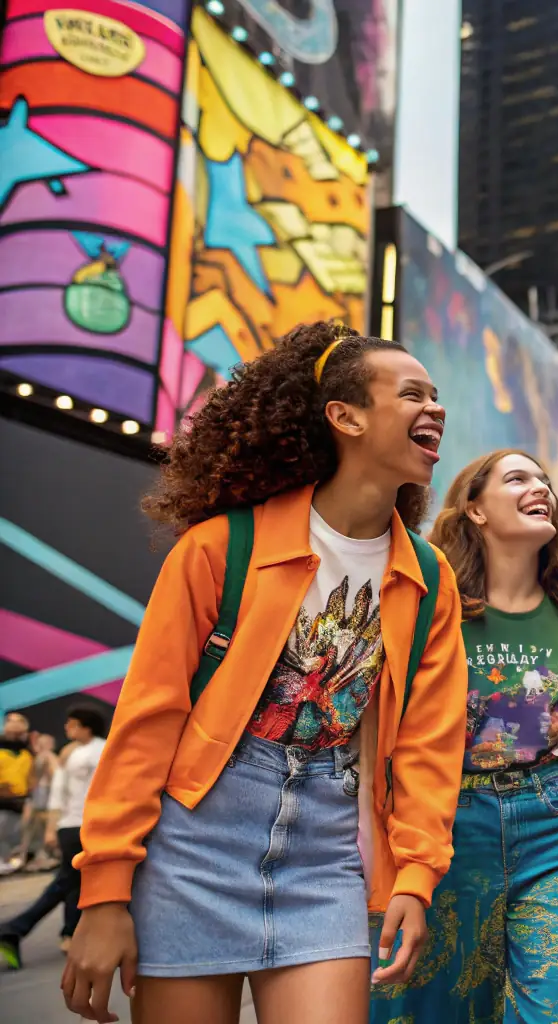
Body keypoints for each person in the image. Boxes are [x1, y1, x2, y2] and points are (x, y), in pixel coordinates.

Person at [61, 322, 469, 1024]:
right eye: (411, 394)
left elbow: (430, 745)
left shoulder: (429, 578)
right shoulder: (219, 548)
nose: (434, 407)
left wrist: (416, 872)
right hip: (190, 850)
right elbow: (148, 721)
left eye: (434, 396)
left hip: (325, 857)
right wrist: (103, 895)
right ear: (344, 416)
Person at [369, 449, 558, 1023]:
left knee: (555, 1012)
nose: (540, 488)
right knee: (433, 1011)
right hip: (445, 826)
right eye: (517, 478)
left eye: (544, 481)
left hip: (548, 826)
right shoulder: (432, 605)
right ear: (476, 510)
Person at [0, 707, 108, 968]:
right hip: (78, 826)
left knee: (74, 882)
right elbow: (59, 793)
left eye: (72, 724)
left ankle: (69, 935)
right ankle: (15, 928)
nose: (67, 728)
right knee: (68, 881)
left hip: (83, 825)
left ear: (86, 727)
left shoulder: (97, 750)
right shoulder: (73, 753)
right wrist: (52, 827)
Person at [21, 732, 60, 872]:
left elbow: (55, 775)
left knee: (43, 828)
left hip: (46, 796)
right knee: (34, 828)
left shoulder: (49, 757)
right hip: (38, 796)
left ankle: (45, 856)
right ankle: (38, 856)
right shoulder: (39, 757)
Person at [0, 712, 33, 875]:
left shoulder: (27, 754)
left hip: (20, 801)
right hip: (2, 801)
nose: (15, 725)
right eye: (11, 721)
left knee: (14, 836)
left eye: (19, 721)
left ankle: (10, 863)